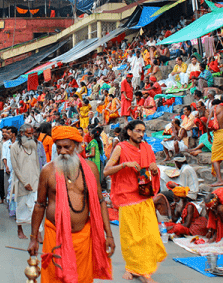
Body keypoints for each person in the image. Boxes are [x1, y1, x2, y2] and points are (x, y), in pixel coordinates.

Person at [27, 126, 114, 282]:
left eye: (67, 147)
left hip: (83, 237)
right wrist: (33, 238)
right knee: (55, 278)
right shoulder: (48, 171)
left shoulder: (91, 168)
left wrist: (109, 234)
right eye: (58, 147)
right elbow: (40, 205)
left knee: (81, 278)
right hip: (55, 235)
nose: (62, 151)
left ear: (77, 146)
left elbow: (100, 201)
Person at [104, 120, 166, 283]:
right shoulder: (120, 148)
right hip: (127, 198)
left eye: (143, 131)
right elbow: (106, 171)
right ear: (129, 132)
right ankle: (136, 269)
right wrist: (124, 164)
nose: (141, 134)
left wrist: (154, 169)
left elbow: (153, 171)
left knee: (149, 234)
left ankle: (141, 268)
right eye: (137, 131)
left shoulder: (147, 148)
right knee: (131, 237)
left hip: (144, 196)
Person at [11, 124, 42, 239]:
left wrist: (39, 179)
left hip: (34, 181)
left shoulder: (34, 146)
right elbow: (15, 168)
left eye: (32, 133)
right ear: (22, 133)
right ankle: (20, 230)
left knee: (36, 208)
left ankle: (37, 232)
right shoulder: (14, 147)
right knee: (21, 207)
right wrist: (24, 182)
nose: (31, 136)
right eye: (29, 133)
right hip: (21, 183)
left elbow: (37, 164)